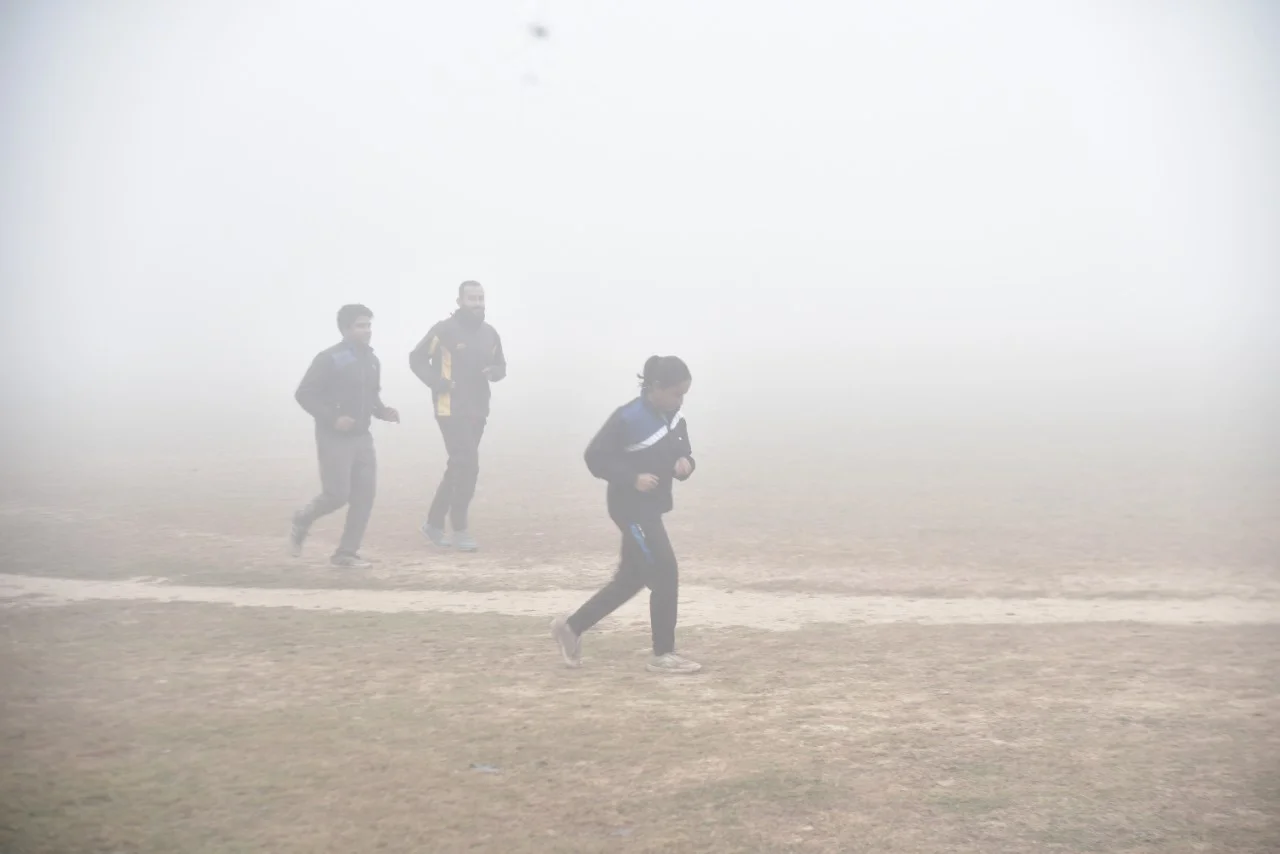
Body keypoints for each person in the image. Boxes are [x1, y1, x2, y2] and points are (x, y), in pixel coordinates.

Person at [551, 356, 701, 674]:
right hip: (630, 509)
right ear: (656, 388)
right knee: (665, 572)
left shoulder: (676, 418)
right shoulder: (627, 418)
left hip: (652, 508)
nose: (681, 400)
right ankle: (663, 655)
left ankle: (572, 628)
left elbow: (684, 451)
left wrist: (686, 464)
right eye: (676, 393)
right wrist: (632, 478)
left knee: (632, 578)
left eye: (684, 394)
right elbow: (595, 458)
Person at [290, 304, 399, 568]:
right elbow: (304, 393)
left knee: (365, 495)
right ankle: (303, 519)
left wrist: (383, 411)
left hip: (363, 438)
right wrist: (333, 418)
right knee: (337, 495)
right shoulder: (329, 358)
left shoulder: (372, 360)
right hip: (334, 438)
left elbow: (371, 396)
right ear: (345, 329)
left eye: (369, 325)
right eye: (361, 326)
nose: (367, 331)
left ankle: (346, 553)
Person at [409, 280, 506, 552]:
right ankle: (460, 528)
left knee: (458, 465)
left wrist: (494, 373)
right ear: (459, 301)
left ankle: (433, 524)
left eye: (481, 298)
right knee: (468, 464)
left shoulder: (490, 333)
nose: (478, 303)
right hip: (449, 406)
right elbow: (416, 358)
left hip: (478, 408)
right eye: (472, 298)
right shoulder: (444, 330)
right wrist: (436, 381)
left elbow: (501, 366)